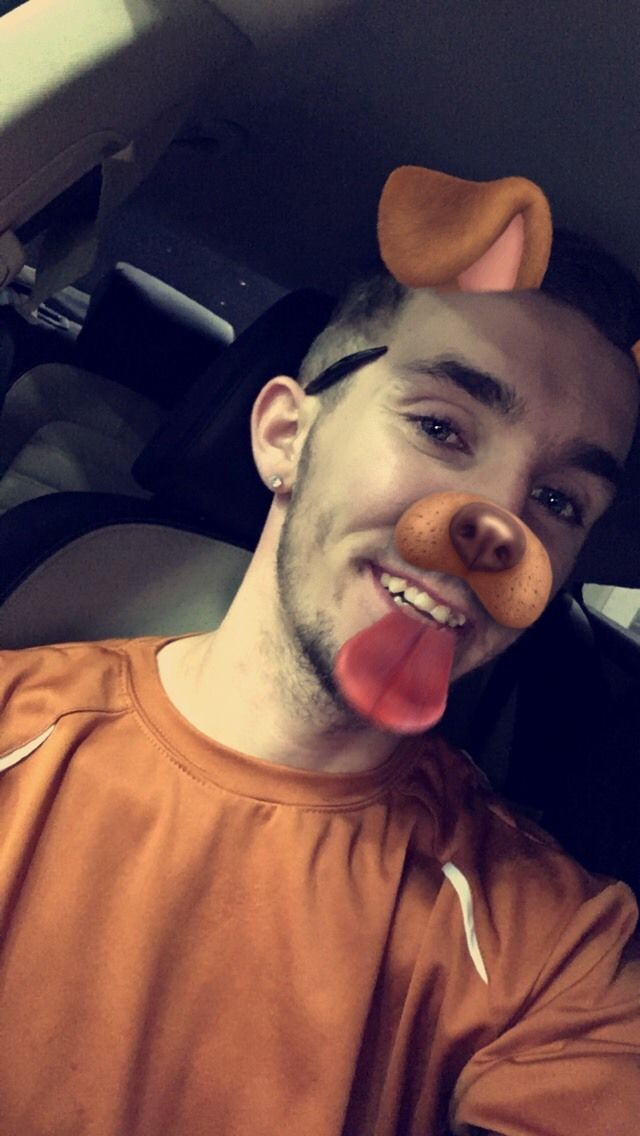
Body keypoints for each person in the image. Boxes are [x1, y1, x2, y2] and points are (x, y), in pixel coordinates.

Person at [0, 224, 639, 1136]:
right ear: (285, 436)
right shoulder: (17, 726)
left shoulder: (554, 952)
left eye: (559, 501)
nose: (498, 526)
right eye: (440, 428)